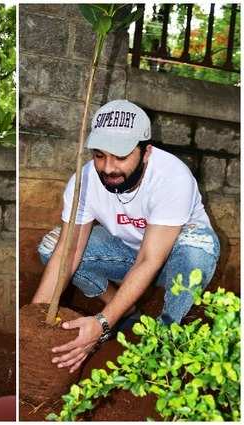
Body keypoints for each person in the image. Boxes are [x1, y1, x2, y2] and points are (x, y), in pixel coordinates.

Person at [31, 99, 220, 373]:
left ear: (146, 152)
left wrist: (102, 324)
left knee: (196, 247)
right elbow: (67, 252)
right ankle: (126, 311)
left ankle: (166, 335)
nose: (108, 168)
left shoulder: (171, 176)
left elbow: (149, 260)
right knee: (51, 248)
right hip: (127, 255)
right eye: (99, 155)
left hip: (171, 260)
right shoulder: (84, 182)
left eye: (120, 157)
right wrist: (35, 322)